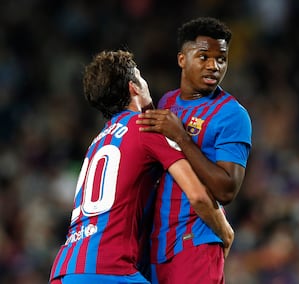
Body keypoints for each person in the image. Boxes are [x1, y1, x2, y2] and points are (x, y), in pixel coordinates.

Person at [49, 50, 234, 284]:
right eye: (141, 77)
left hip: (65, 269)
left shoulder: (97, 142)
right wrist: (225, 232)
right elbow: (197, 195)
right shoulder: (146, 127)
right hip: (109, 270)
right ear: (133, 87)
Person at [138, 17, 252, 283]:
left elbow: (227, 189)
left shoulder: (232, 115)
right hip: (155, 248)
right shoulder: (167, 102)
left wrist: (182, 138)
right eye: (204, 57)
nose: (214, 66)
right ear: (182, 60)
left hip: (195, 244)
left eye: (221, 59)